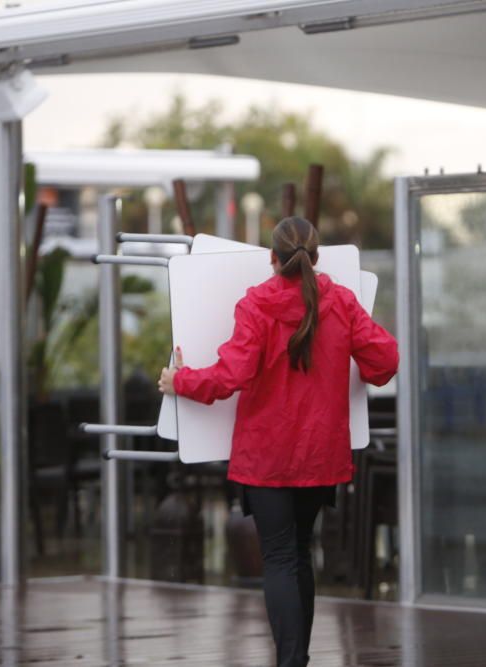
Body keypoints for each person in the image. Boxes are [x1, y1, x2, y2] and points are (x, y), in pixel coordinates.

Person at [158, 217, 399, 667]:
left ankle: (292, 661)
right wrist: (360, 371)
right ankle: (297, 658)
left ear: (272, 259)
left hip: (266, 457)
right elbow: (385, 358)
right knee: (299, 554)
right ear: (317, 256)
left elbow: (231, 375)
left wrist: (180, 380)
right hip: (320, 455)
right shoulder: (341, 302)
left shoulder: (257, 304)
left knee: (280, 558)